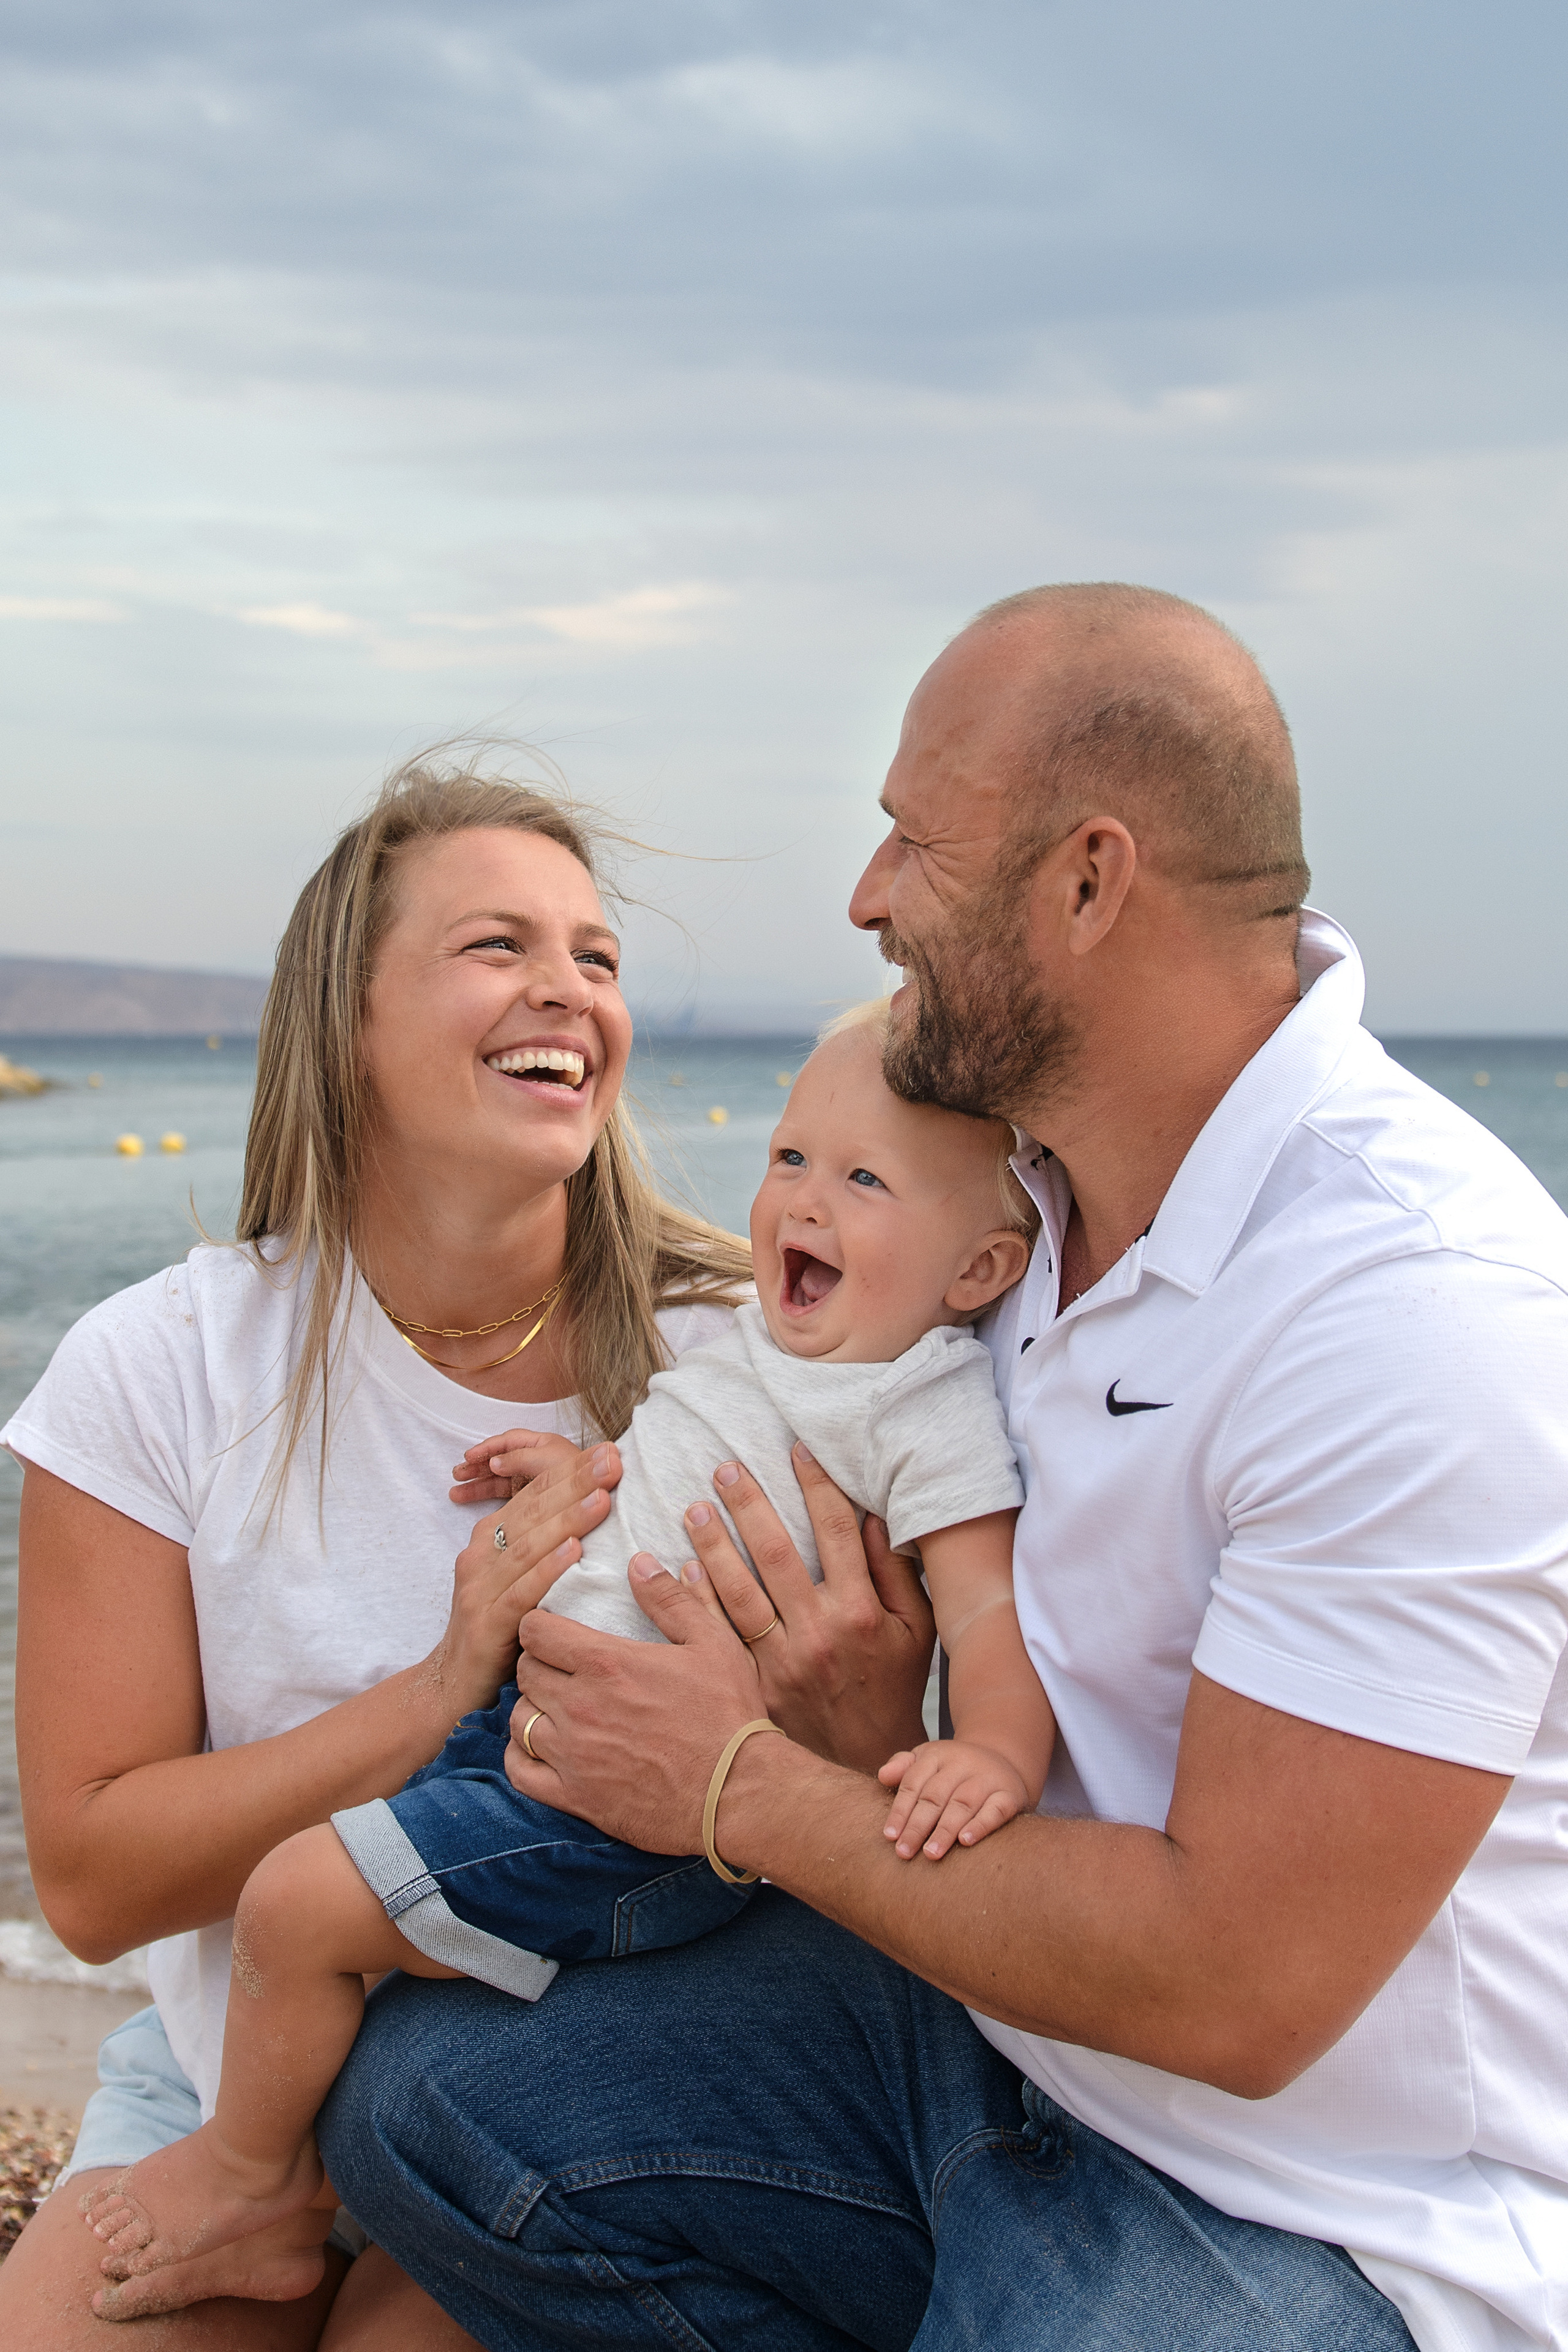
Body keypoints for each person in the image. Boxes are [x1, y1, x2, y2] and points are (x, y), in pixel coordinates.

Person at [320, 586, 1568, 2352]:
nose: (865, 895)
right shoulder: (1008, 1207)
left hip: (1321, 2202)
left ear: (1088, 881)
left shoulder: (1416, 1311)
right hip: (992, 2036)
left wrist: (738, 1787)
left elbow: (1240, 1989)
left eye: (916, 840)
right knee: (430, 2109)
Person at [0, 759, 938, 2348]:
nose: (567, 988)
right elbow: (92, 1883)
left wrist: (855, 1715)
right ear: (345, 1020)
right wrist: (445, 1687)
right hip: (234, 2071)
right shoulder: (163, 1365)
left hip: (572, 2099)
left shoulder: (757, 1354)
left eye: (596, 956)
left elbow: (868, 1775)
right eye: (499, 945)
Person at [76, 1005, 1055, 2299]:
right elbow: (695, 1475)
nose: (803, 1201)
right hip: (544, 1746)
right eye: (789, 1158)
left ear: (979, 1270)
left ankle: (255, 2183)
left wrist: (994, 1751)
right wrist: (591, 1478)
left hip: (626, 1818)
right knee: (334, 1913)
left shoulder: (922, 1406)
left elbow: (984, 1609)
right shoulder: (764, 1341)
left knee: (296, 1902)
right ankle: (301, 2161)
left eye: (863, 1180)